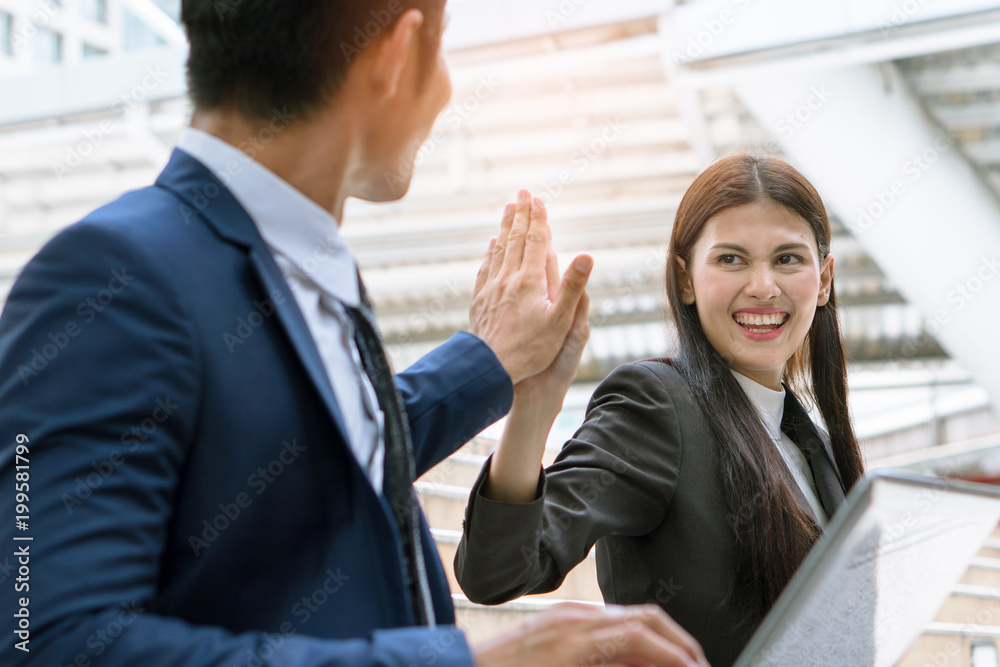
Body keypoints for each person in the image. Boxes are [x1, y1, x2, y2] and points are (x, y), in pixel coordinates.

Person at [0, 1, 710, 666]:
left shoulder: (302, 269)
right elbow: (43, 637)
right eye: (443, 56)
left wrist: (491, 362)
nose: (444, 94)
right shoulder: (110, 275)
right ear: (396, 56)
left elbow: (311, 452)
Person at [455, 152, 867, 667]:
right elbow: (498, 570)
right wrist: (532, 410)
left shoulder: (815, 446)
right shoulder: (656, 405)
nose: (763, 286)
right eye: (731, 259)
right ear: (686, 278)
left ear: (824, 279)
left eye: (788, 258)